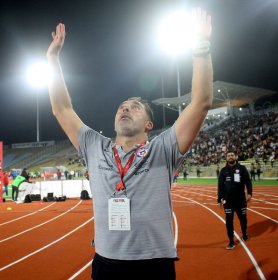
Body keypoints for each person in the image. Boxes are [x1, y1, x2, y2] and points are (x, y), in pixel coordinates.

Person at [47, 8, 212, 279]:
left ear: (149, 124)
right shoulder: (93, 146)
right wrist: (52, 58)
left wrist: (202, 47)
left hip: (154, 263)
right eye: (122, 107)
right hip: (106, 262)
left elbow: (201, 102)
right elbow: (62, 109)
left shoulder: (163, 148)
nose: (125, 109)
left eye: (135, 107)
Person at [218, 150, 252, 250]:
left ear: (235, 157)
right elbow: (220, 185)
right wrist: (220, 198)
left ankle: (244, 233)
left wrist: (249, 193)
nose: (230, 157)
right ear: (226, 158)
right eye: (228, 156)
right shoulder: (223, 171)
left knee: (243, 218)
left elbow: (248, 182)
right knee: (229, 221)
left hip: (240, 199)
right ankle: (231, 241)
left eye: (232, 155)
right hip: (228, 201)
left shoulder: (242, 168)